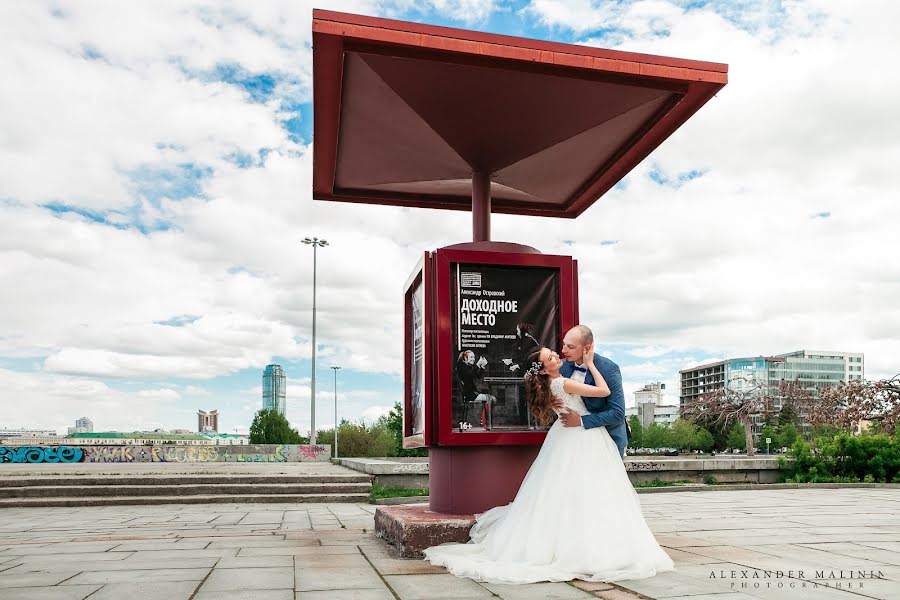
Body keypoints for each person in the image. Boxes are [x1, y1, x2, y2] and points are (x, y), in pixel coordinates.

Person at [423, 344, 676, 584]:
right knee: (584, 489)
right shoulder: (561, 382)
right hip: (579, 436)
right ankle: (584, 546)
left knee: (567, 490)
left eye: (555, 353)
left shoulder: (552, 384)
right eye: (551, 357)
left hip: (566, 435)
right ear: (544, 369)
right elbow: (604, 391)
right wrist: (591, 364)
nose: (557, 355)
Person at [559, 325, 629, 458]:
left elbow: (617, 414)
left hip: (609, 438)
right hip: (572, 440)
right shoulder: (560, 366)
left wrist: (580, 421)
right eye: (564, 345)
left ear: (587, 348)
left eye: (570, 347)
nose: (563, 350)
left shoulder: (609, 369)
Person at [456, 350, 495, 429]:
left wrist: (482, 366)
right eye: (471, 357)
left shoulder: (467, 366)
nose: (473, 359)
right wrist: (478, 364)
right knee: (491, 399)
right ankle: (484, 421)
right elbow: (469, 375)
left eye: (474, 357)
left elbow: (477, 376)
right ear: (465, 358)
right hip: (468, 394)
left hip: (472, 392)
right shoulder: (461, 366)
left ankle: (484, 420)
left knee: (491, 399)